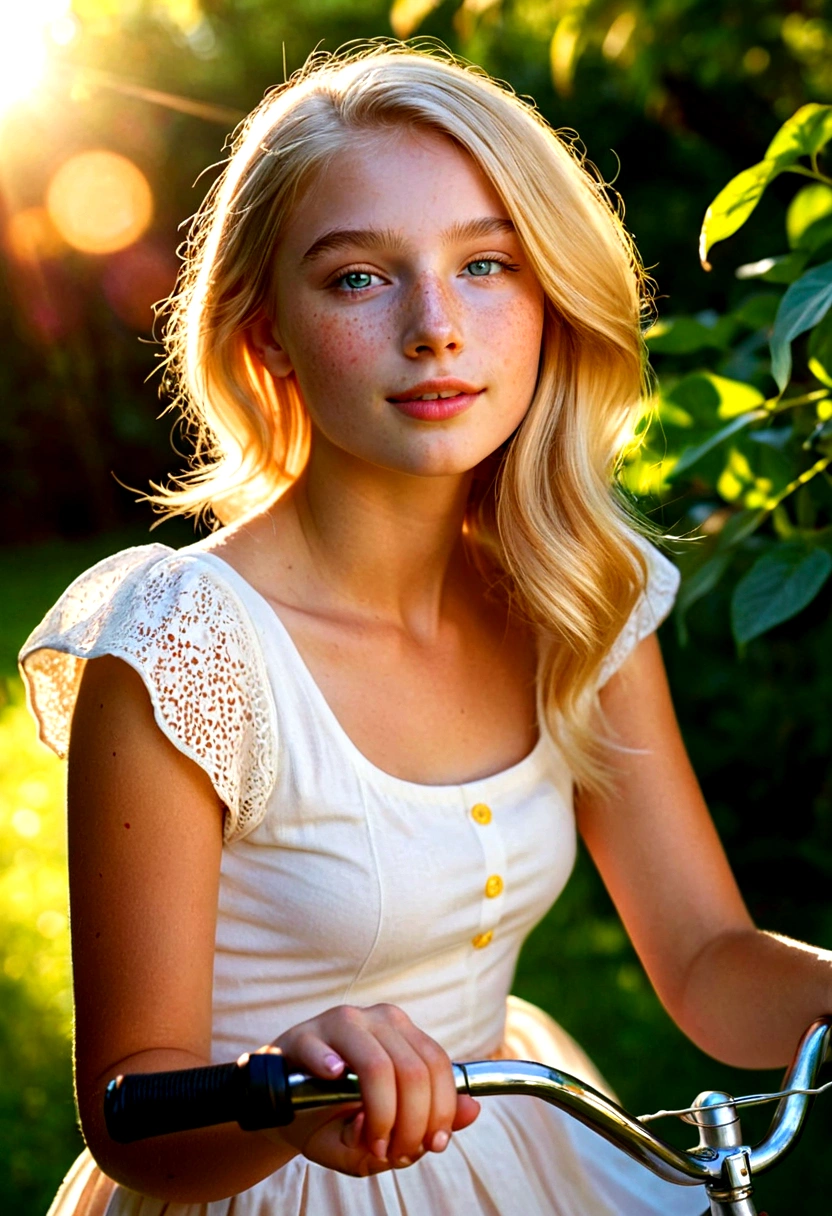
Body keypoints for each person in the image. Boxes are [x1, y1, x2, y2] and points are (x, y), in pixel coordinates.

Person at [19, 41, 832, 1216]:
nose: (435, 326)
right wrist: (292, 1087)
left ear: (549, 299)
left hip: (522, 1155)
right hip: (258, 1185)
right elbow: (132, 1116)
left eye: (487, 265)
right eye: (358, 277)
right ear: (265, 336)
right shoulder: (181, 644)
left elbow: (709, 963)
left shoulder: (576, 594)